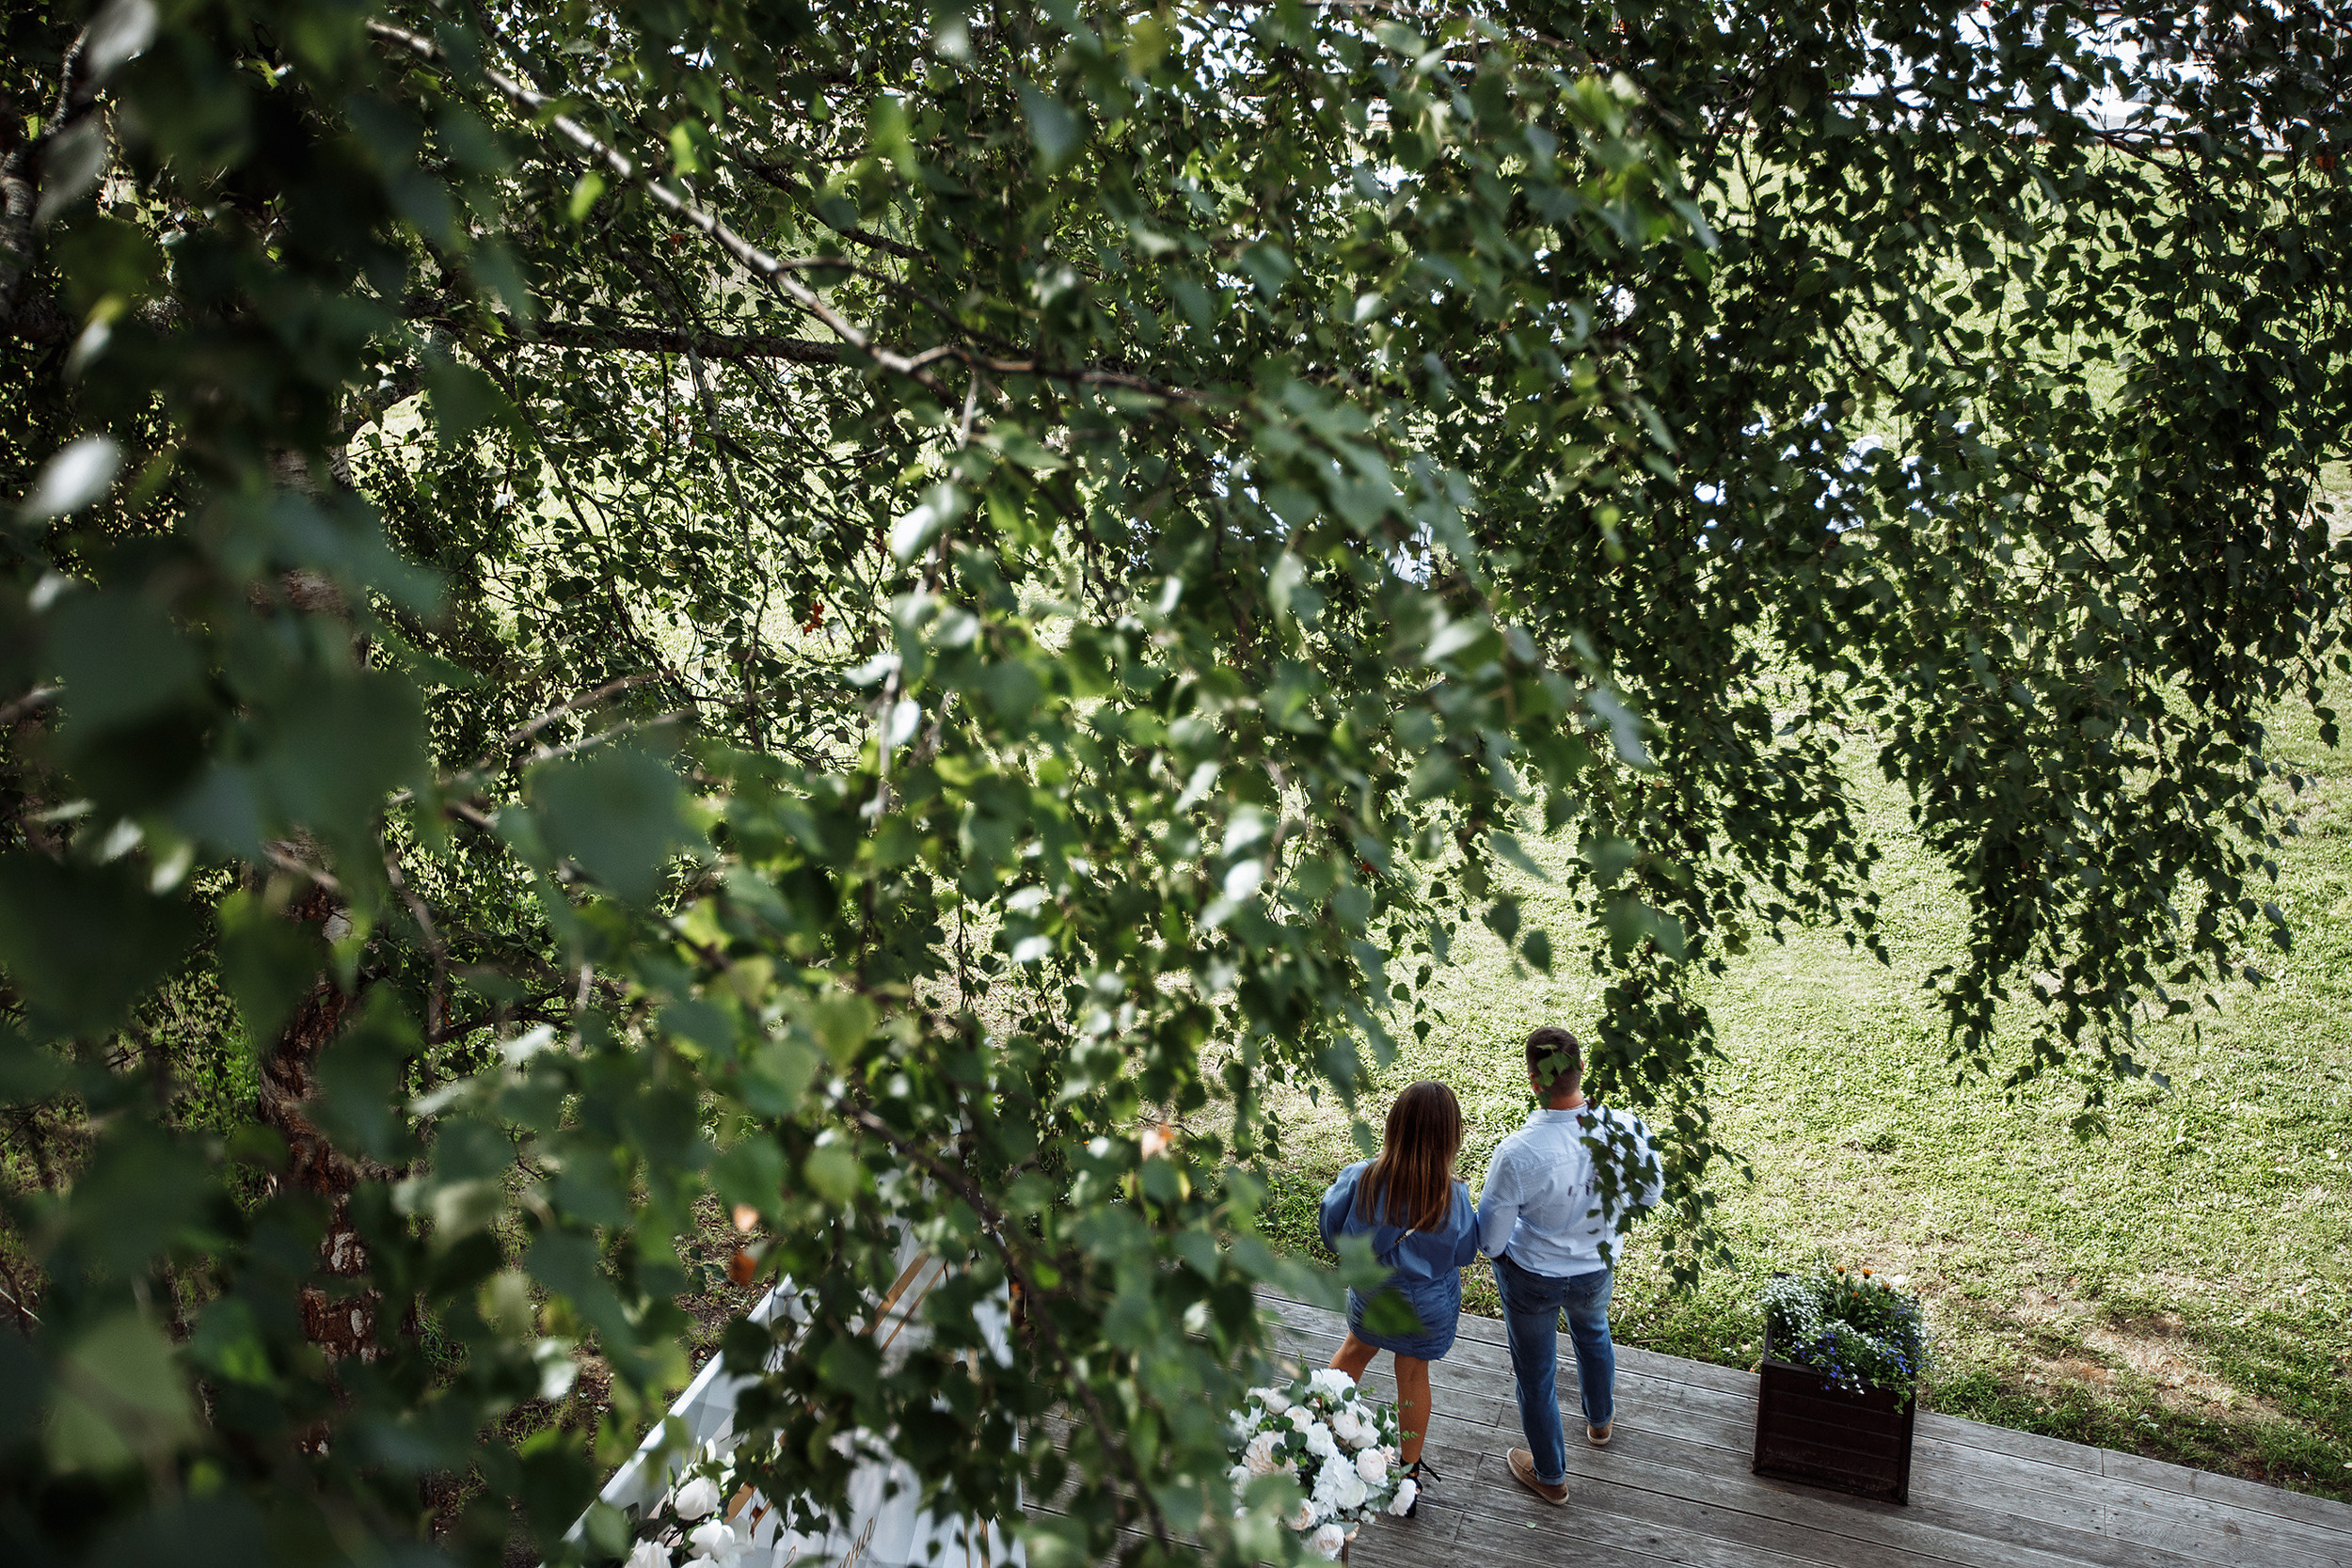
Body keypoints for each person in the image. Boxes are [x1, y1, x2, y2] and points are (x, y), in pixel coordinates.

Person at [1477, 1025, 1663, 1506]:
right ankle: (1600, 1422)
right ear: (1581, 1070)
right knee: (1593, 1333)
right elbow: (1651, 1193)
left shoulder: (1518, 1152)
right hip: (1596, 1266)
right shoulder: (1626, 1130)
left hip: (1532, 1279)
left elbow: (1491, 1239)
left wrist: (1507, 1256)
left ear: (1533, 1082)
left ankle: (1552, 1476)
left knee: (1535, 1376)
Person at [1318, 1079, 1480, 1513]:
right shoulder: (1453, 1196)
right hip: (1428, 1308)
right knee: (1412, 1377)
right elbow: (1464, 1252)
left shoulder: (1361, 1178)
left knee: (1353, 1354)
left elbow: (1331, 1231)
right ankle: (1408, 1476)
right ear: (1451, 1137)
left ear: (1393, 1126)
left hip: (1374, 1298)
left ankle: (1319, 1437)